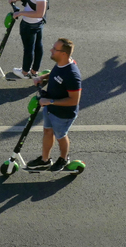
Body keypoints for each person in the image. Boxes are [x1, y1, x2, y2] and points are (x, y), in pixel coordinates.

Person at [27, 38, 82, 172]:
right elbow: (54, 74)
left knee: (60, 136)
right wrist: (42, 77)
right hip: (50, 107)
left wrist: (50, 101)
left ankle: (63, 159)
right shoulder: (61, 63)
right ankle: (45, 160)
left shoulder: (72, 75)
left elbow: (74, 100)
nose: (51, 50)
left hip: (63, 113)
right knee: (47, 131)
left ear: (63, 53)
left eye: (54, 49)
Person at [9, 0, 49, 79]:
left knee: (29, 49)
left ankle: (25, 73)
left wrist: (20, 13)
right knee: (38, 46)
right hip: (37, 23)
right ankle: (34, 71)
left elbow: (39, 13)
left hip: (30, 24)